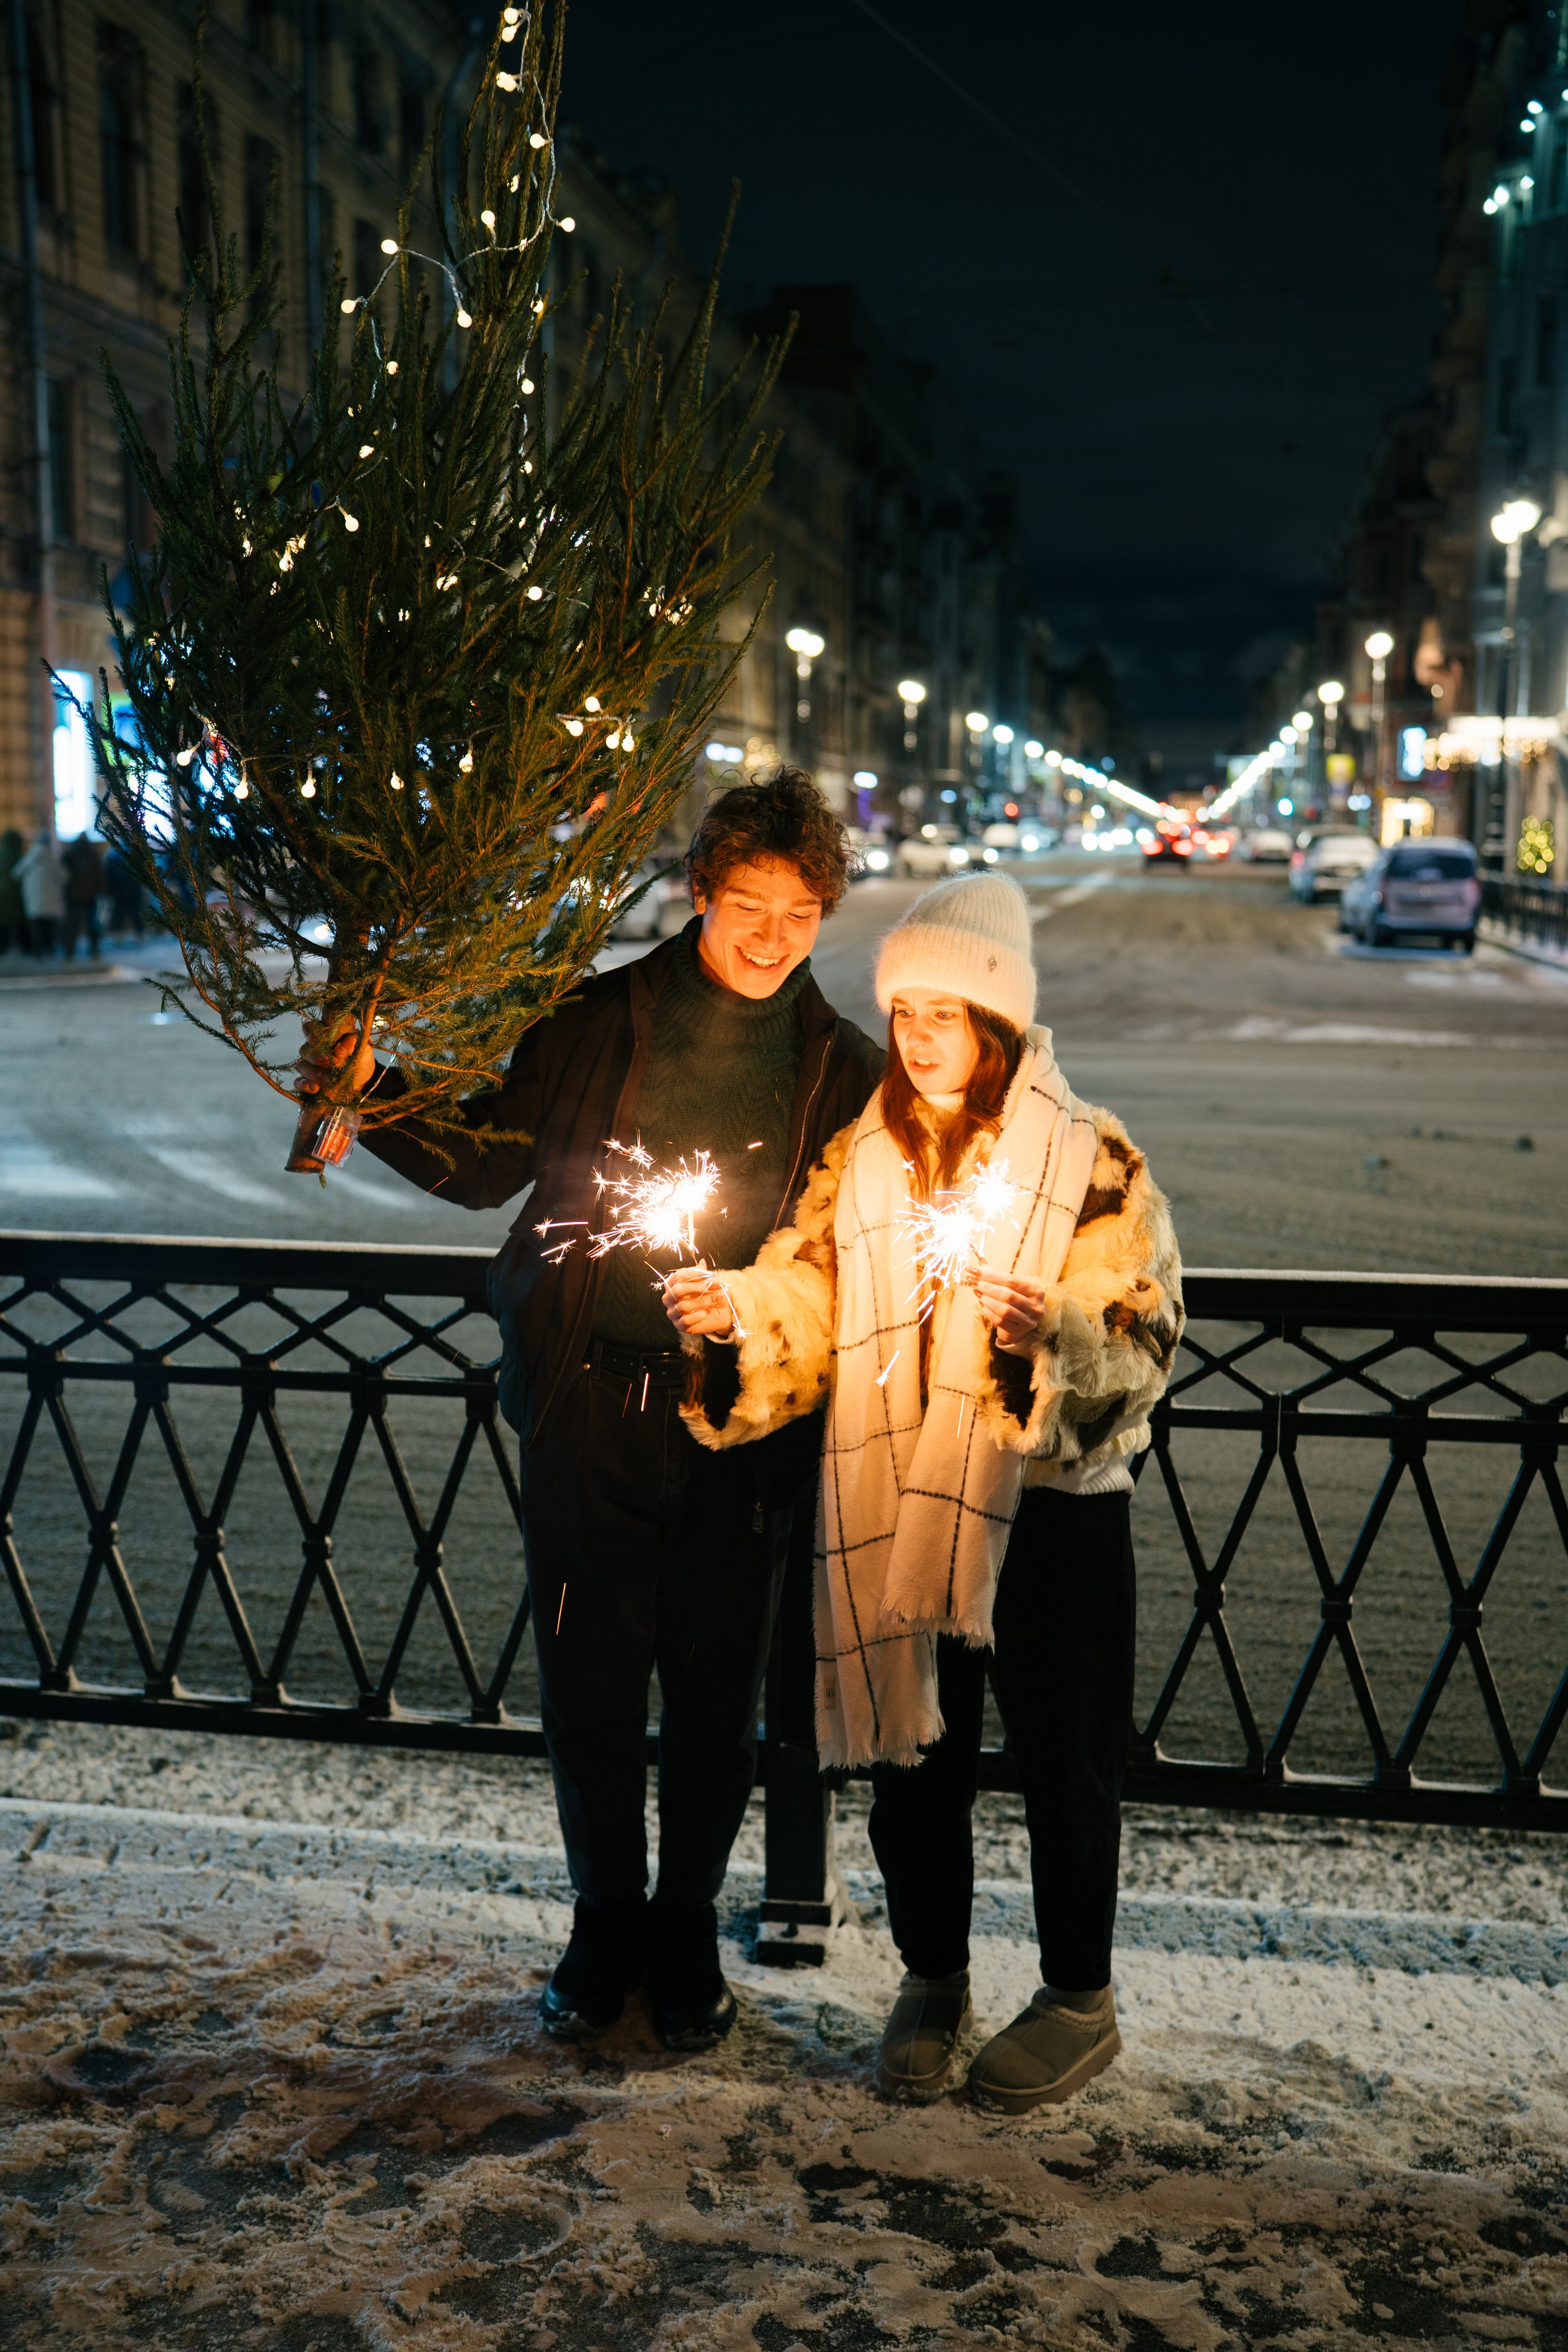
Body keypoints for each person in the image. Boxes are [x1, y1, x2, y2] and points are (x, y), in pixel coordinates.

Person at [296, 769, 882, 2049]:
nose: (773, 935)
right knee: (591, 1680)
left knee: (718, 1700)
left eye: (800, 912)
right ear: (700, 892)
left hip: (742, 1430)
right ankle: (601, 1920)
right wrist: (369, 1088)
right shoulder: (598, 1020)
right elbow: (488, 1160)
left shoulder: (842, 1071)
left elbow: (860, 1257)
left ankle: (684, 1933)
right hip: (589, 1405)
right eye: (749, 904)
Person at [665, 872, 1183, 2112]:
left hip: (1052, 1510)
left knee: (1067, 1762)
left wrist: (1048, 1337)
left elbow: (1143, 1324)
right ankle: (931, 1977)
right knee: (917, 1762)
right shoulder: (869, 1158)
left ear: (997, 1024)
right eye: (902, 1014)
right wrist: (737, 1313)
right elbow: (812, 1295)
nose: (915, 1037)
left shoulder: (1091, 1156)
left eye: (944, 1015)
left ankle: (1076, 1997)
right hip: (905, 1494)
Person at [15, 832, 62, 958]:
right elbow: (65, 876)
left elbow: (16, 873)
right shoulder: (52, 859)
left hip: (33, 899)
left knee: (36, 927)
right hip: (51, 900)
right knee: (49, 927)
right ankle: (49, 948)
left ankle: (37, 950)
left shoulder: (29, 857)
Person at [59, 834, 105, 960]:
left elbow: (63, 877)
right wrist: (102, 890)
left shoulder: (69, 855)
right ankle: (94, 951)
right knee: (92, 924)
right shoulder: (92, 855)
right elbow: (99, 875)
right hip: (90, 895)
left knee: (72, 924)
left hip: (73, 896)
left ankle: (69, 951)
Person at [0, 828, 24, 956]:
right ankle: (20, 946)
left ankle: (3, 947)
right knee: (17, 922)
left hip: (2, 894)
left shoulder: (1, 854)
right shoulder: (20, 855)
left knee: (3, 922)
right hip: (17, 895)